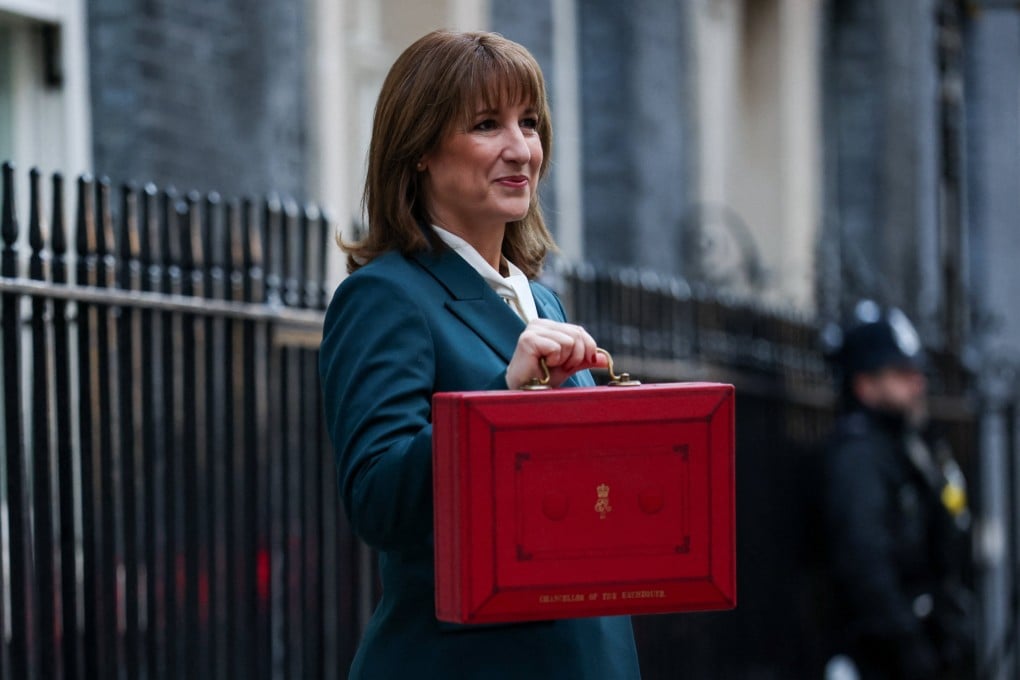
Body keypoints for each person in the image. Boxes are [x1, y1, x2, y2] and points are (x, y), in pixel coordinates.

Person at [318, 30, 641, 679]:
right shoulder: (383, 297)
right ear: (420, 151)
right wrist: (504, 398)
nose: (520, 149)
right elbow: (378, 502)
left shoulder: (541, 303)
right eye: (487, 125)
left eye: (529, 122)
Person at [818, 300, 974, 680]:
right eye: (901, 373)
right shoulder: (859, 456)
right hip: (882, 657)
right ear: (866, 385)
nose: (917, 383)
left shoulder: (905, 443)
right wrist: (908, 645)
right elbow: (864, 557)